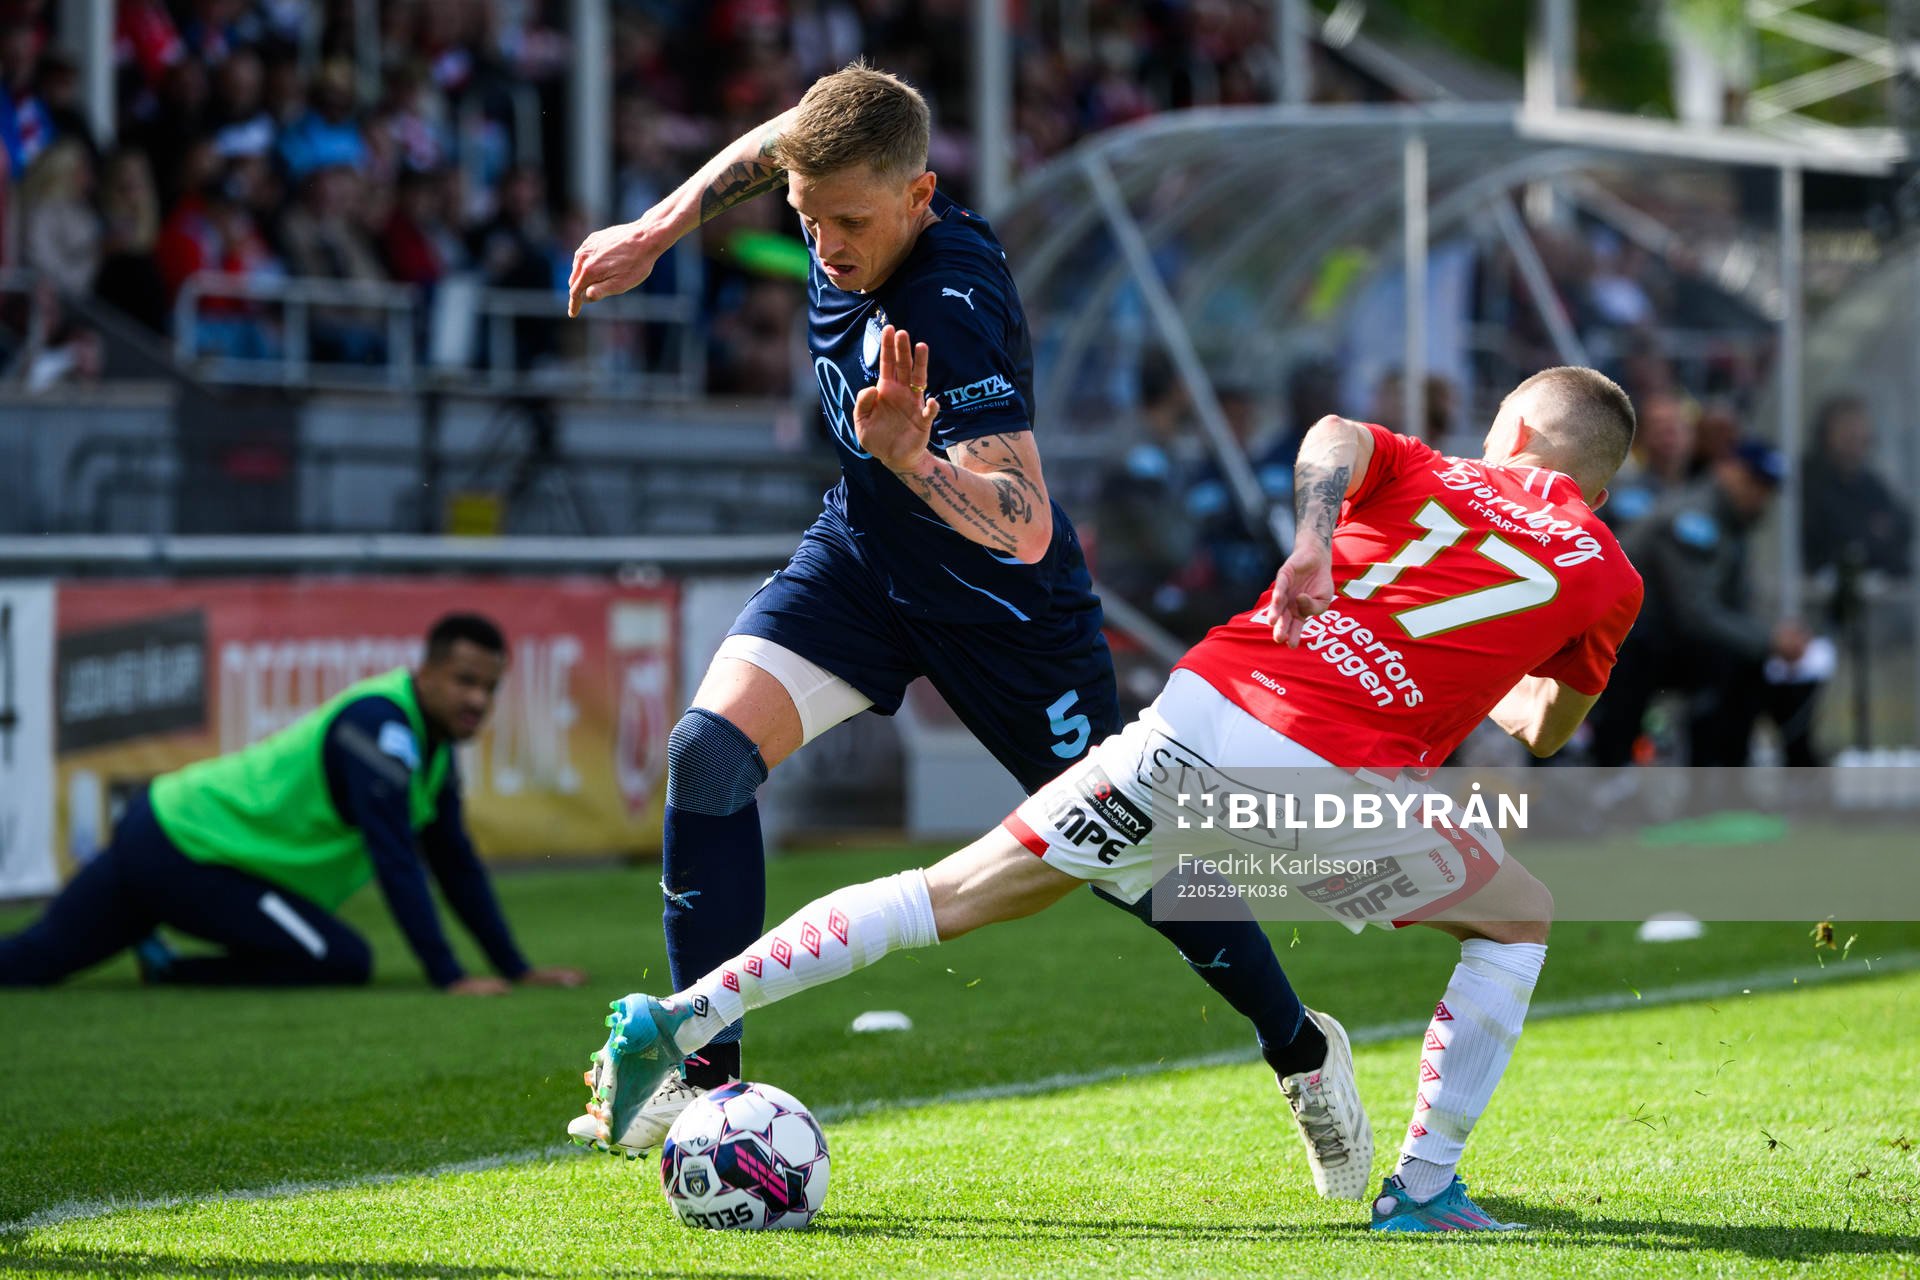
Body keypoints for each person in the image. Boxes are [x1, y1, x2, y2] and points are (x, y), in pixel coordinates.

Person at [569, 365, 1645, 1232]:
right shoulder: (1607, 573)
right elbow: (1548, 728)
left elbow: (1332, 435)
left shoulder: (1429, 468)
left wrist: (1313, 544)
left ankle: (684, 1013)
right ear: (1594, 489)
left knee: (944, 894)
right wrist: (1488, 672)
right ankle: (1424, 1186)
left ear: (1512, 431)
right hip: (1319, 781)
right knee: (1519, 913)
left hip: (1193, 713)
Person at [564, 63, 1322, 1156]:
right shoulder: (836, 178)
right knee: (709, 757)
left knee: (1129, 857)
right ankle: (701, 1078)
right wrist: (656, 228)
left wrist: (914, 461)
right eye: (809, 218)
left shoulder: (946, 308)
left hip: (1004, 610)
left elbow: (1022, 521)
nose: (826, 244)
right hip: (867, 559)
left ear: (919, 196)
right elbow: (778, 141)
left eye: (851, 222)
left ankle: (1300, 1046)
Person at [0, 614, 585, 993]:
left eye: (489, 688)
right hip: (183, 850)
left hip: (174, 836)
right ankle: (170, 967)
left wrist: (516, 969)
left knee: (30, 963)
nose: (478, 700)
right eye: (465, 681)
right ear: (426, 672)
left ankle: (163, 960)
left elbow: (454, 861)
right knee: (340, 959)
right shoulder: (378, 726)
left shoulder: (430, 750)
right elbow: (395, 859)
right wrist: (449, 976)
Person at [1589, 440, 1817, 766]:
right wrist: (1769, 640)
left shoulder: (1730, 521)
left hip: (1653, 642)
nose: (1760, 496)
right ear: (1727, 470)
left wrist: (1771, 637)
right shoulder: (1694, 519)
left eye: (1767, 489)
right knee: (1736, 661)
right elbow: (1695, 614)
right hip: (1622, 644)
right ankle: (1711, 774)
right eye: (1754, 482)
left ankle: (1753, 768)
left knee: (1755, 664)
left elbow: (1735, 605)